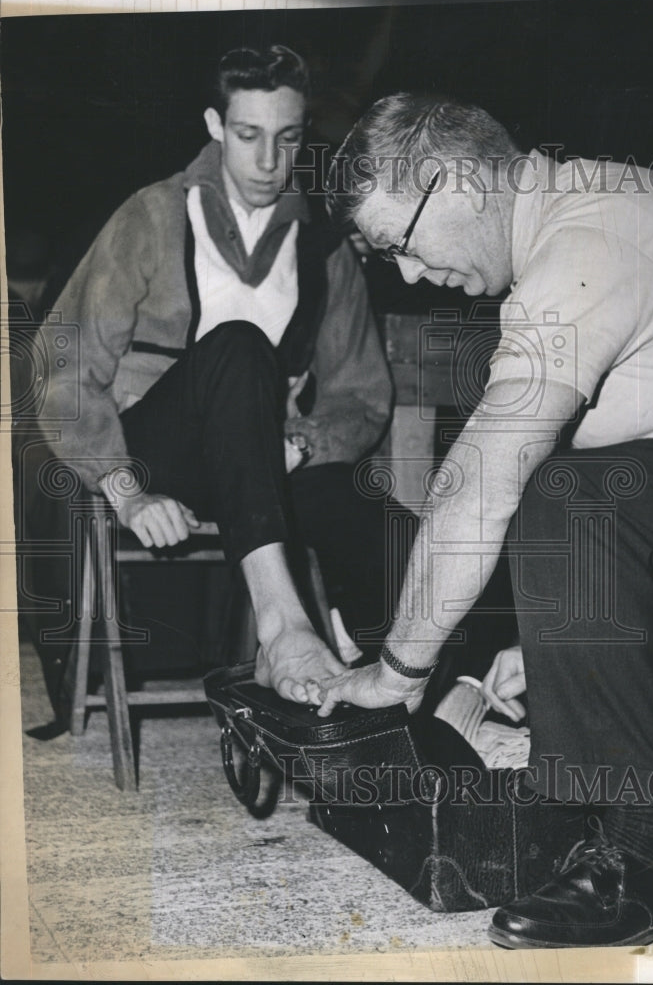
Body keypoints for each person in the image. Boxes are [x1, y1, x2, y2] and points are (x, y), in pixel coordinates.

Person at [316, 93, 653, 949]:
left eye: (398, 242)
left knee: (567, 496)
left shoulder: (588, 238)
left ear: (456, 179)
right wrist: (562, 646)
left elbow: (479, 484)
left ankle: (651, 862)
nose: (403, 274)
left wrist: (396, 675)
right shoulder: (593, 210)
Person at [28, 46, 395, 717]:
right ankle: (281, 627)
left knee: (377, 515)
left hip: (262, 465)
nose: (267, 161)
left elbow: (362, 398)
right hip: (154, 455)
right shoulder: (151, 216)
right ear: (215, 126)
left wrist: (307, 443)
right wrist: (126, 491)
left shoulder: (321, 246)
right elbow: (66, 364)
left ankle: (392, 702)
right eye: (248, 135)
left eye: (286, 139)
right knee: (237, 345)